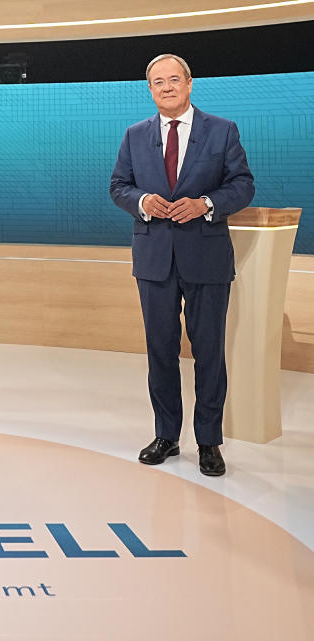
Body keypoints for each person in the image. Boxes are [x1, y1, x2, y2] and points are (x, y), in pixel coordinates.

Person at [110, 54, 254, 476]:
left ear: (190, 84)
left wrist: (206, 204)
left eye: (175, 79)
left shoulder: (222, 130)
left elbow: (242, 184)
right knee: (160, 350)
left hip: (206, 255)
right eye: (158, 82)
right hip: (154, 257)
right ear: (150, 90)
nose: (167, 87)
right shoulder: (135, 135)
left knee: (209, 350)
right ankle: (166, 435)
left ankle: (209, 440)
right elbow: (119, 185)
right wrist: (141, 202)